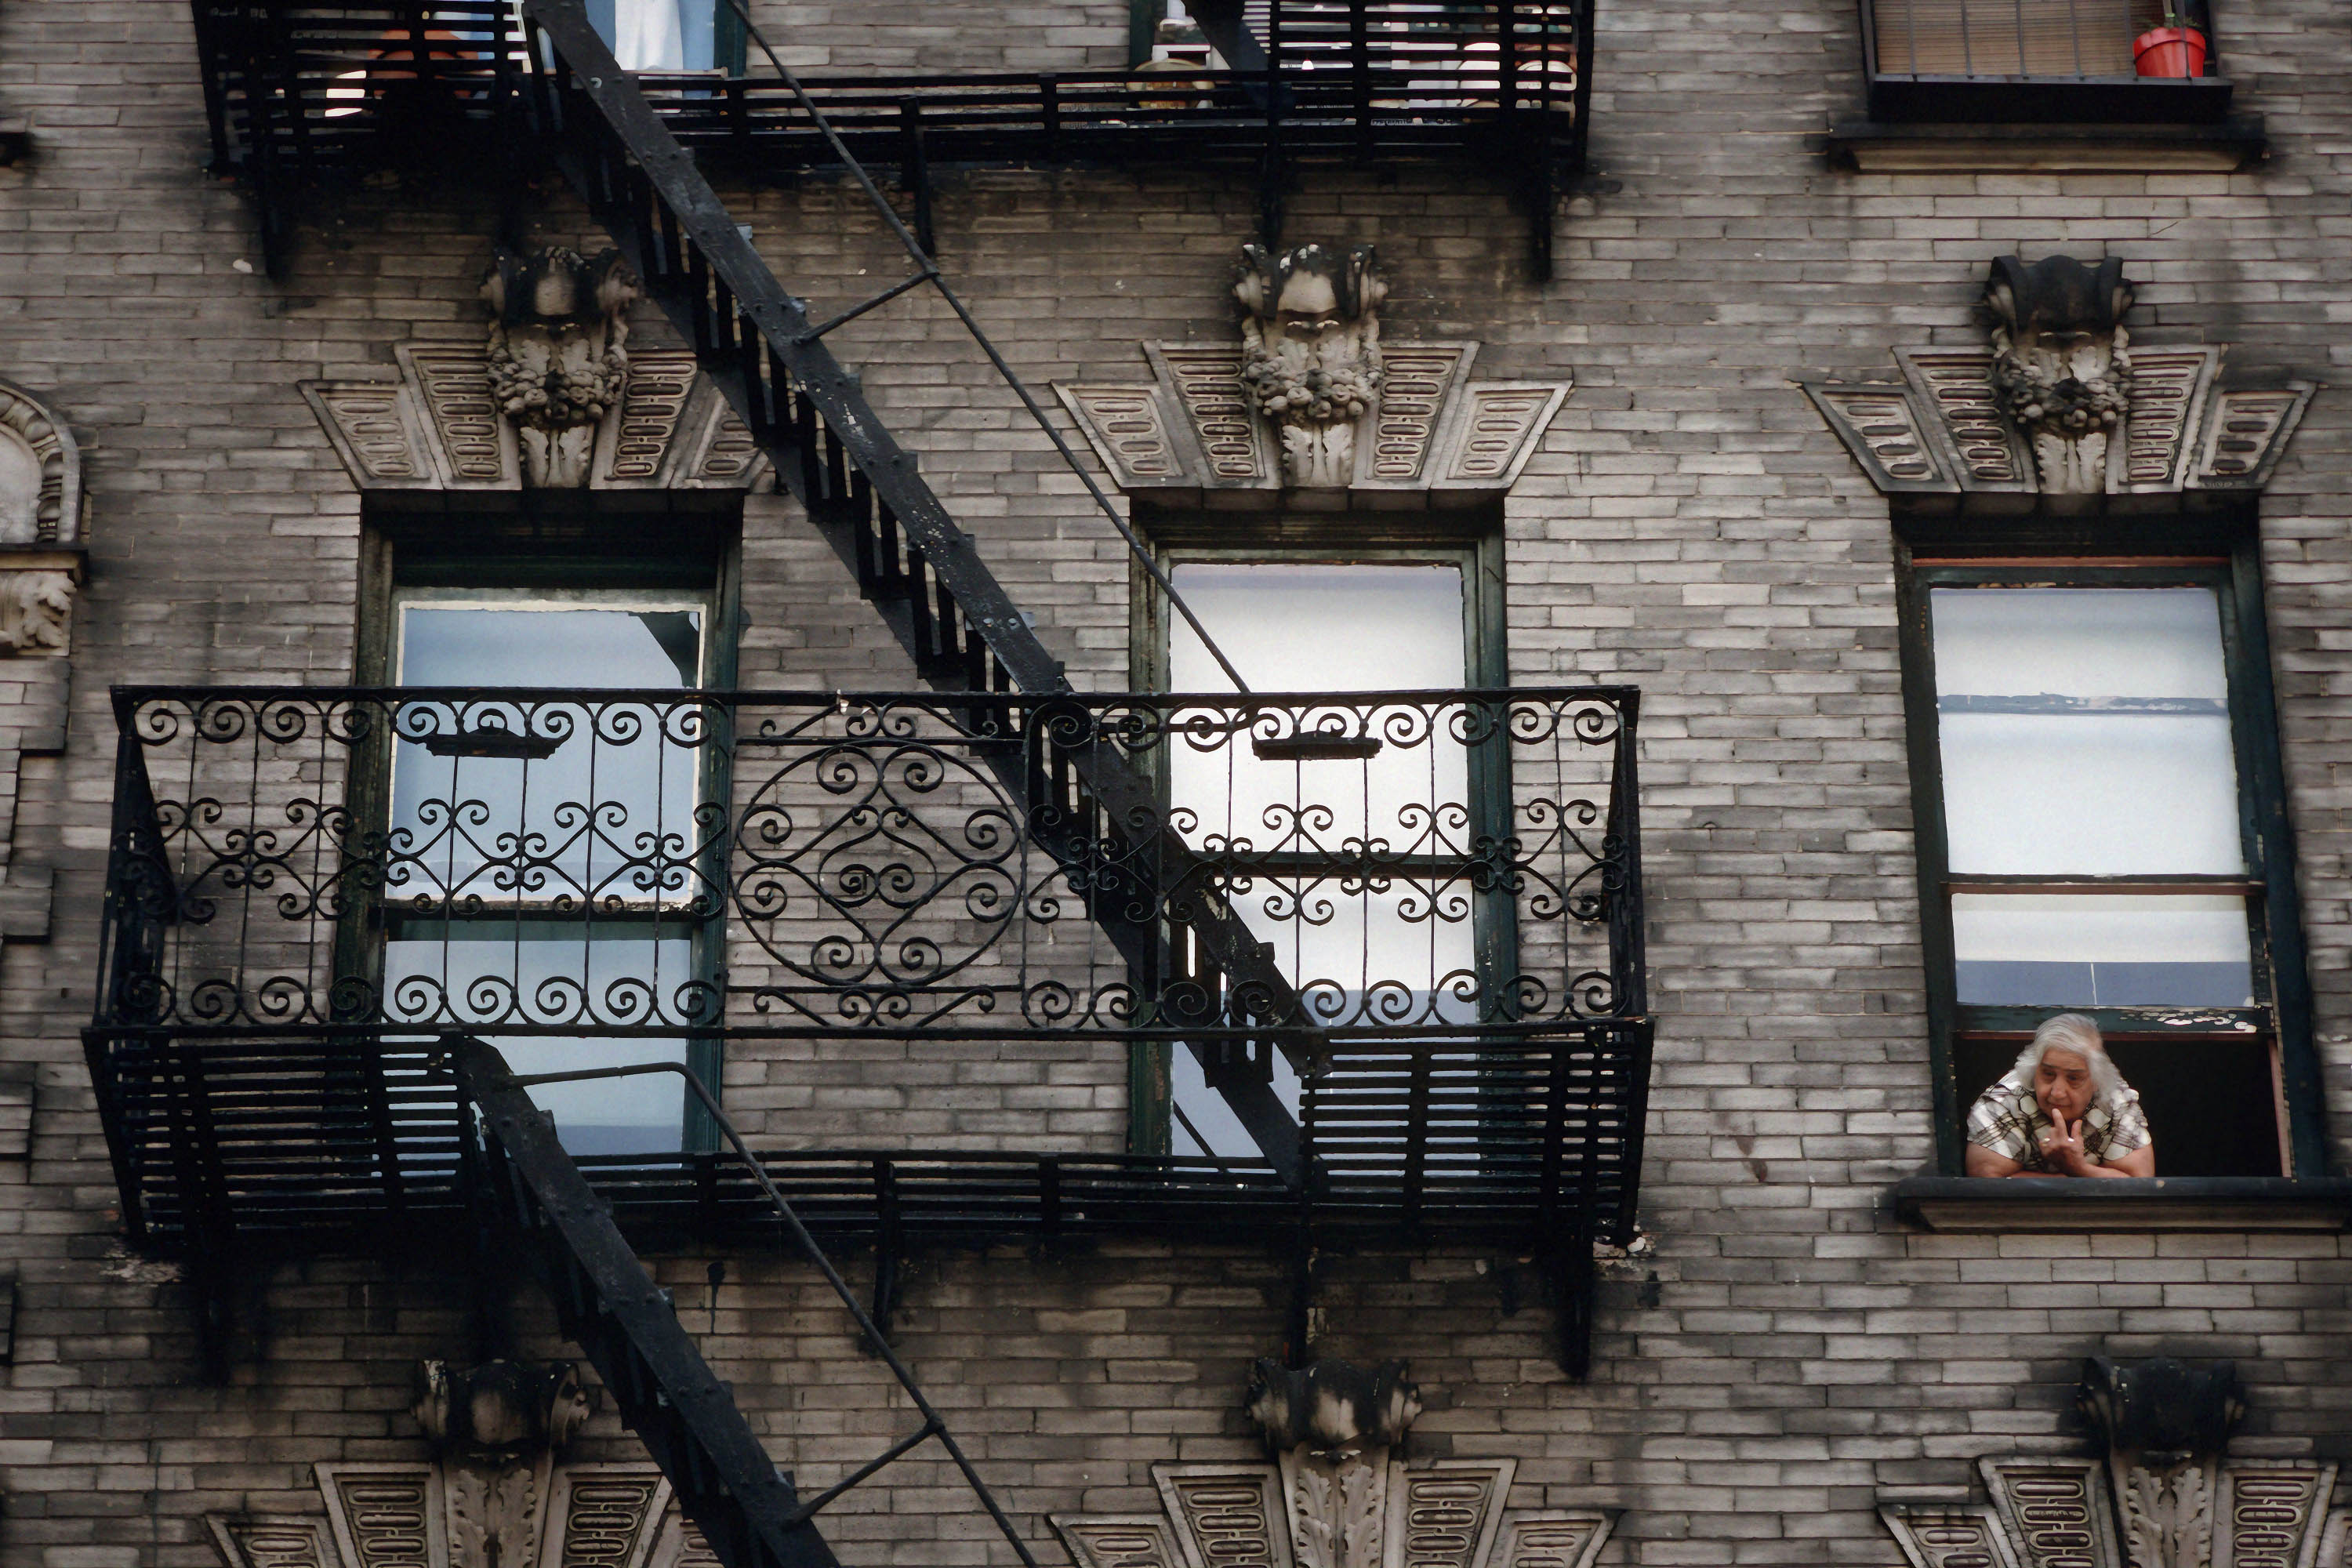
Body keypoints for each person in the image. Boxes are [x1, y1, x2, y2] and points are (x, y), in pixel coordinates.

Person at [1962, 1013, 2154, 1178]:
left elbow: (2141, 1183)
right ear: (2034, 1069)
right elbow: (1987, 1183)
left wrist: (2078, 1168)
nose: (2057, 1092)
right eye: (2048, 1074)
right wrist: (2077, 1179)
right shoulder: (2003, 1100)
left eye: (2073, 1078)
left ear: (2096, 1081)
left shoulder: (2116, 1100)